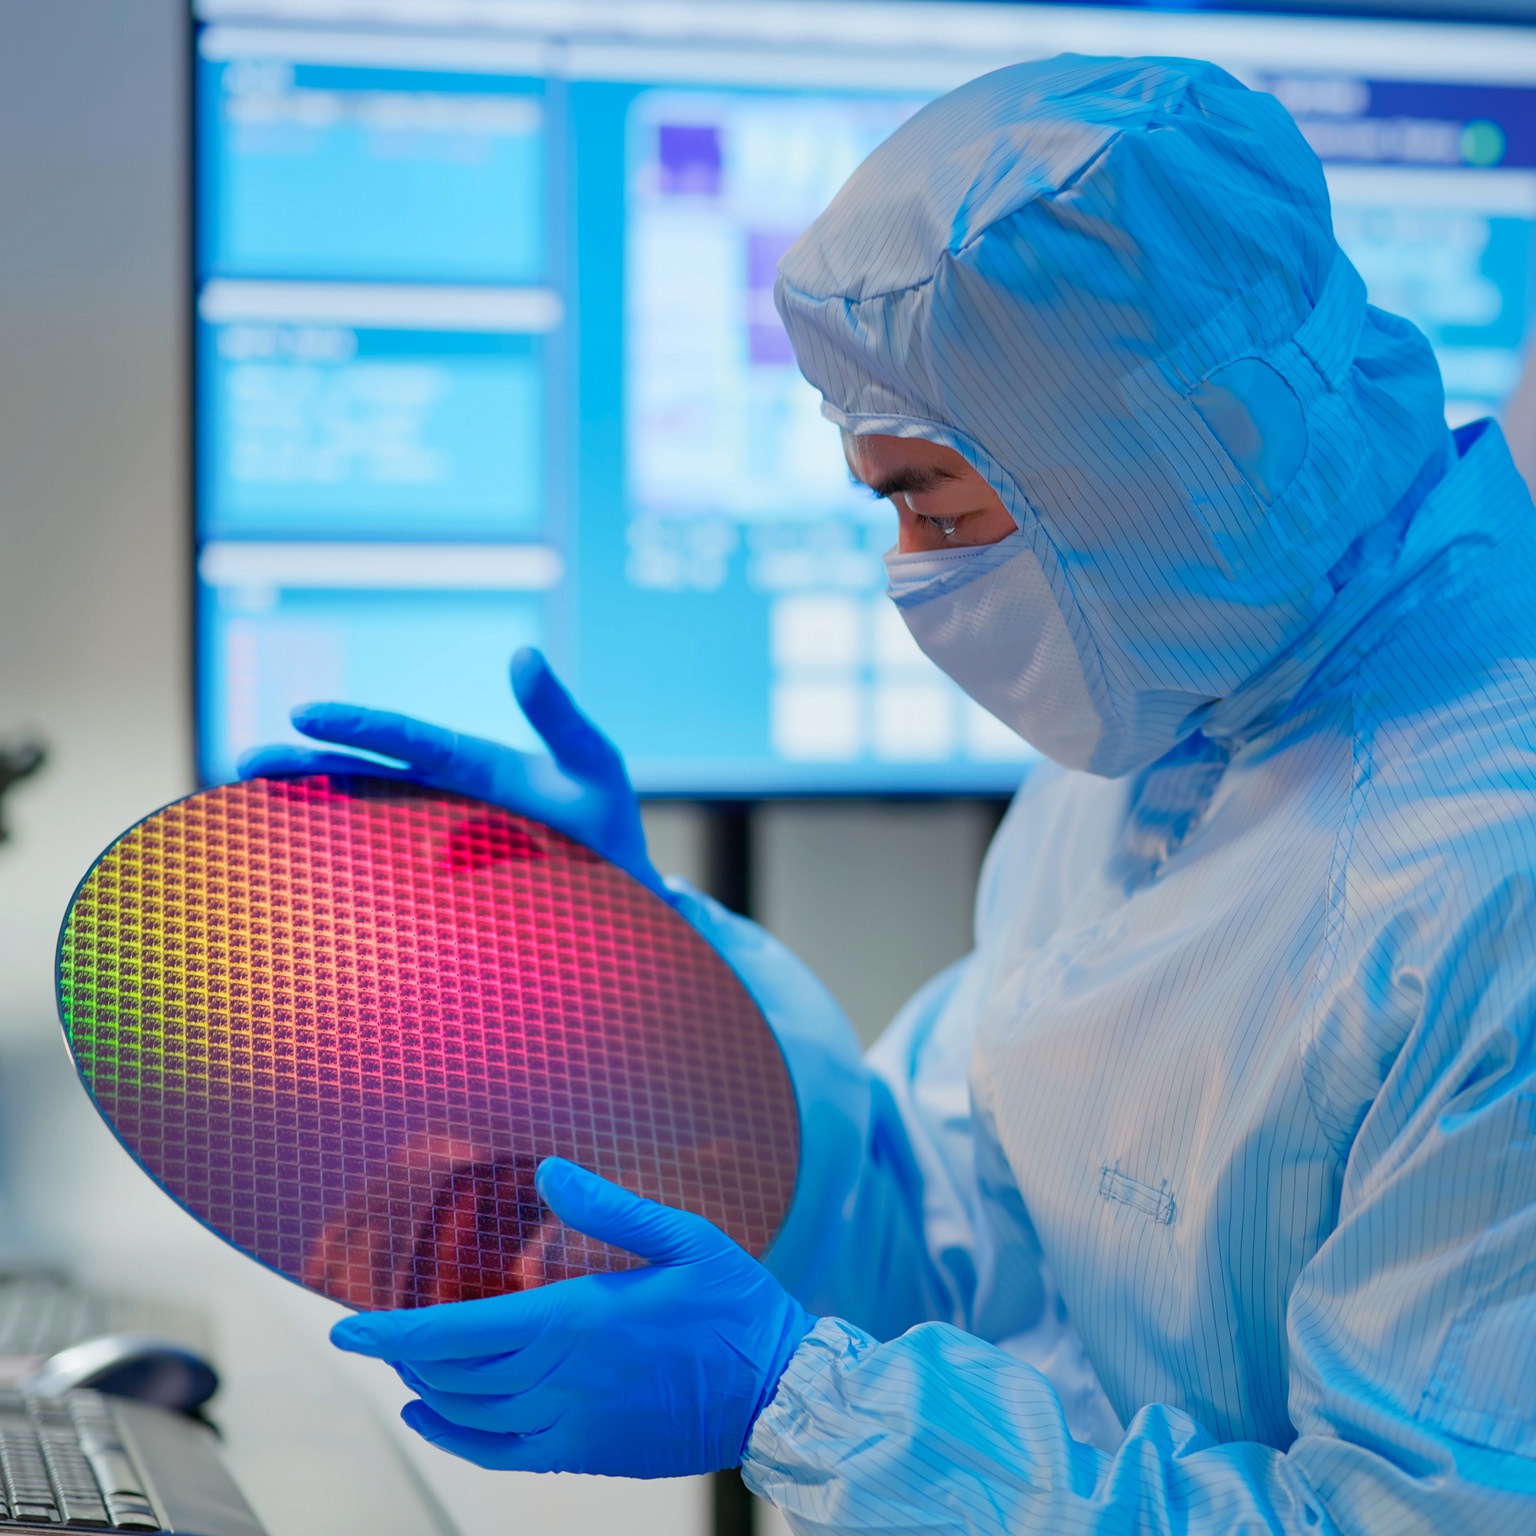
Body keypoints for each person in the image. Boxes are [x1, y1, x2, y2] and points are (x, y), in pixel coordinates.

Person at [242, 56, 1536, 1534]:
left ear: (1152, 468)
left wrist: (796, 1406)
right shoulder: (1180, 717)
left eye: (929, 499)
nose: (909, 568)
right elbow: (961, 1234)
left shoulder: (1485, 886)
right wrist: (665, 980)